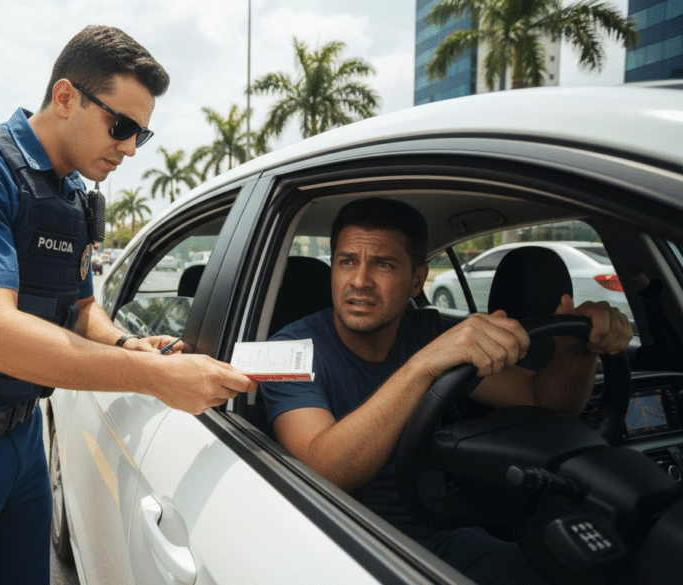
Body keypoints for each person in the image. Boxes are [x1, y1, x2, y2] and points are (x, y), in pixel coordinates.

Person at [0, 25, 256, 585]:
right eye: (120, 126)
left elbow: (79, 309)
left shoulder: (69, 197)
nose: (127, 147)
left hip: (23, 439)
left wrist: (127, 342)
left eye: (140, 136)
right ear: (67, 96)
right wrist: (152, 375)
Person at [262, 197, 632, 585]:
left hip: (442, 538)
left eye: (383, 264)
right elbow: (324, 472)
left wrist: (581, 350)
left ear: (418, 280)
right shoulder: (285, 352)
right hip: (343, 550)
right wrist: (423, 366)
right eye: (347, 261)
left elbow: (545, 403)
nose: (359, 281)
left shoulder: (427, 331)